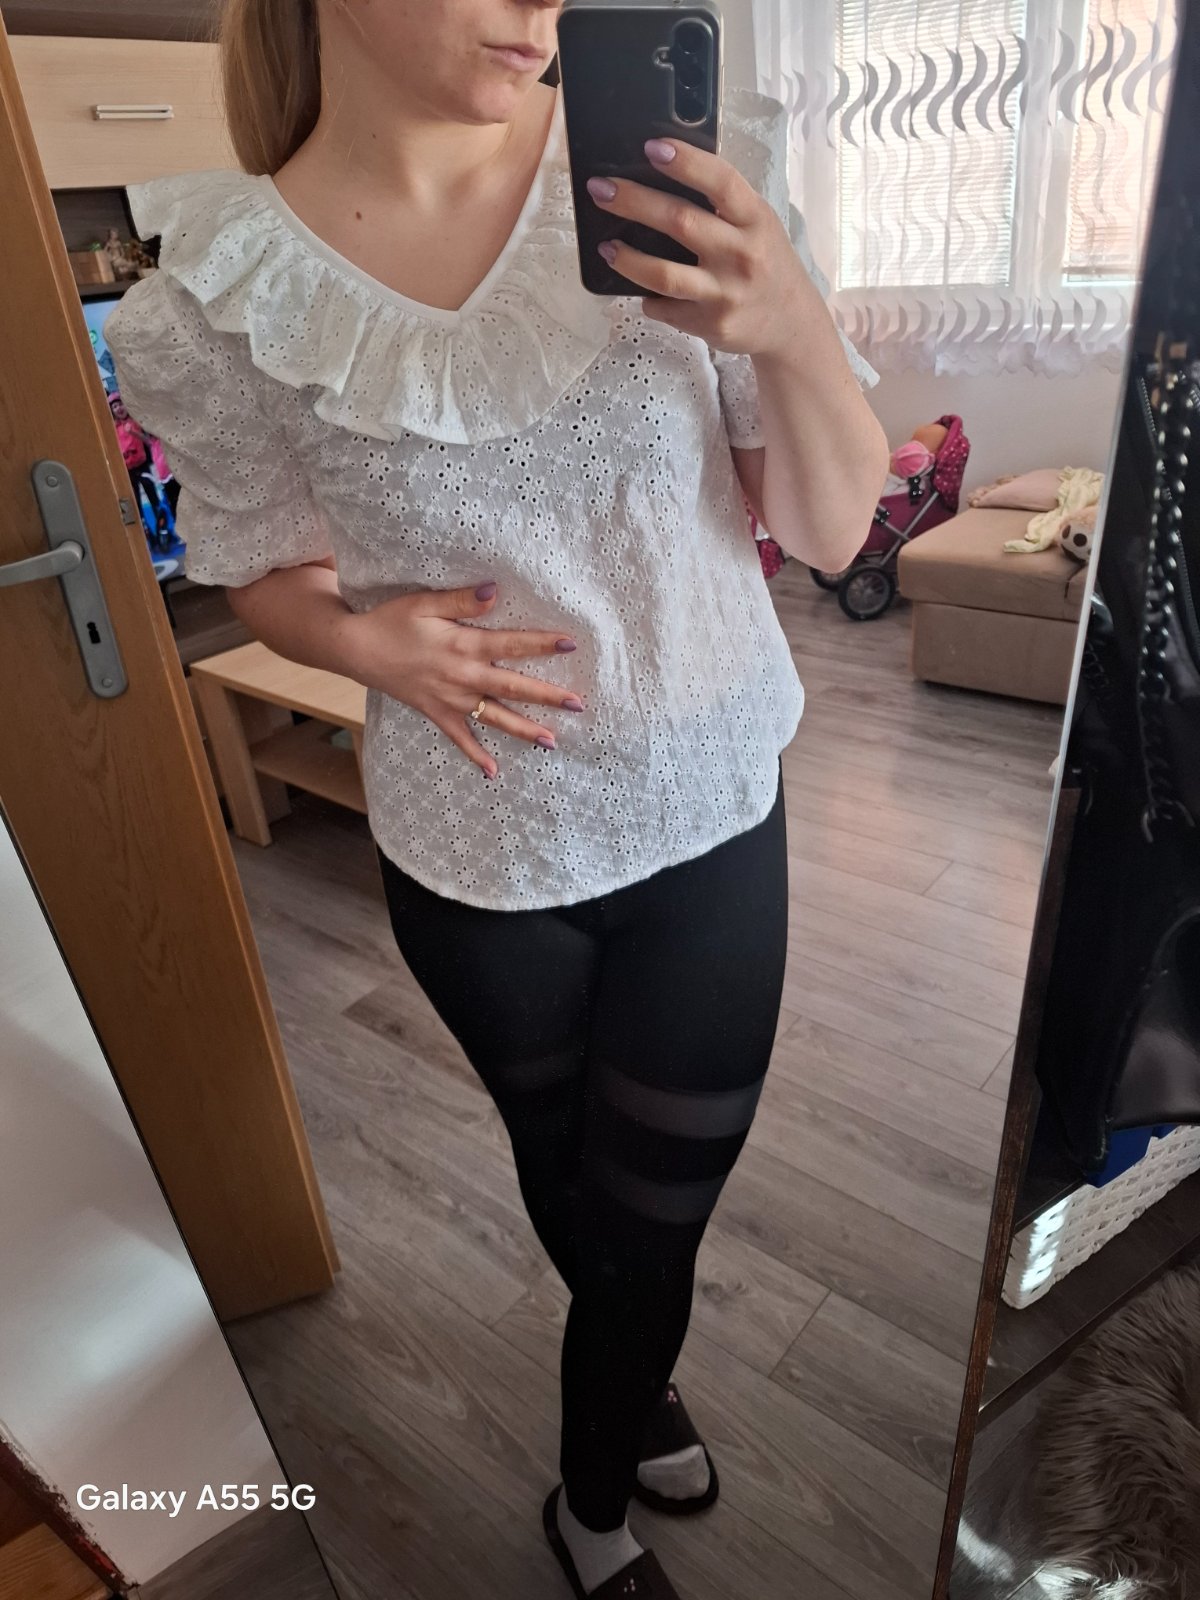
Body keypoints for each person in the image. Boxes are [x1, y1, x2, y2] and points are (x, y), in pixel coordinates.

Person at [106, 2, 887, 1594]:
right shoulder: (223, 290)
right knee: (574, 1174)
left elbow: (823, 530)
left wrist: (792, 326)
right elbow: (254, 565)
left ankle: (587, 1507)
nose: (542, 7)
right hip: (476, 849)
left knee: (651, 1222)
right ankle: (635, 1388)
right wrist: (364, 643)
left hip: (703, 808)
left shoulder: (670, 181)